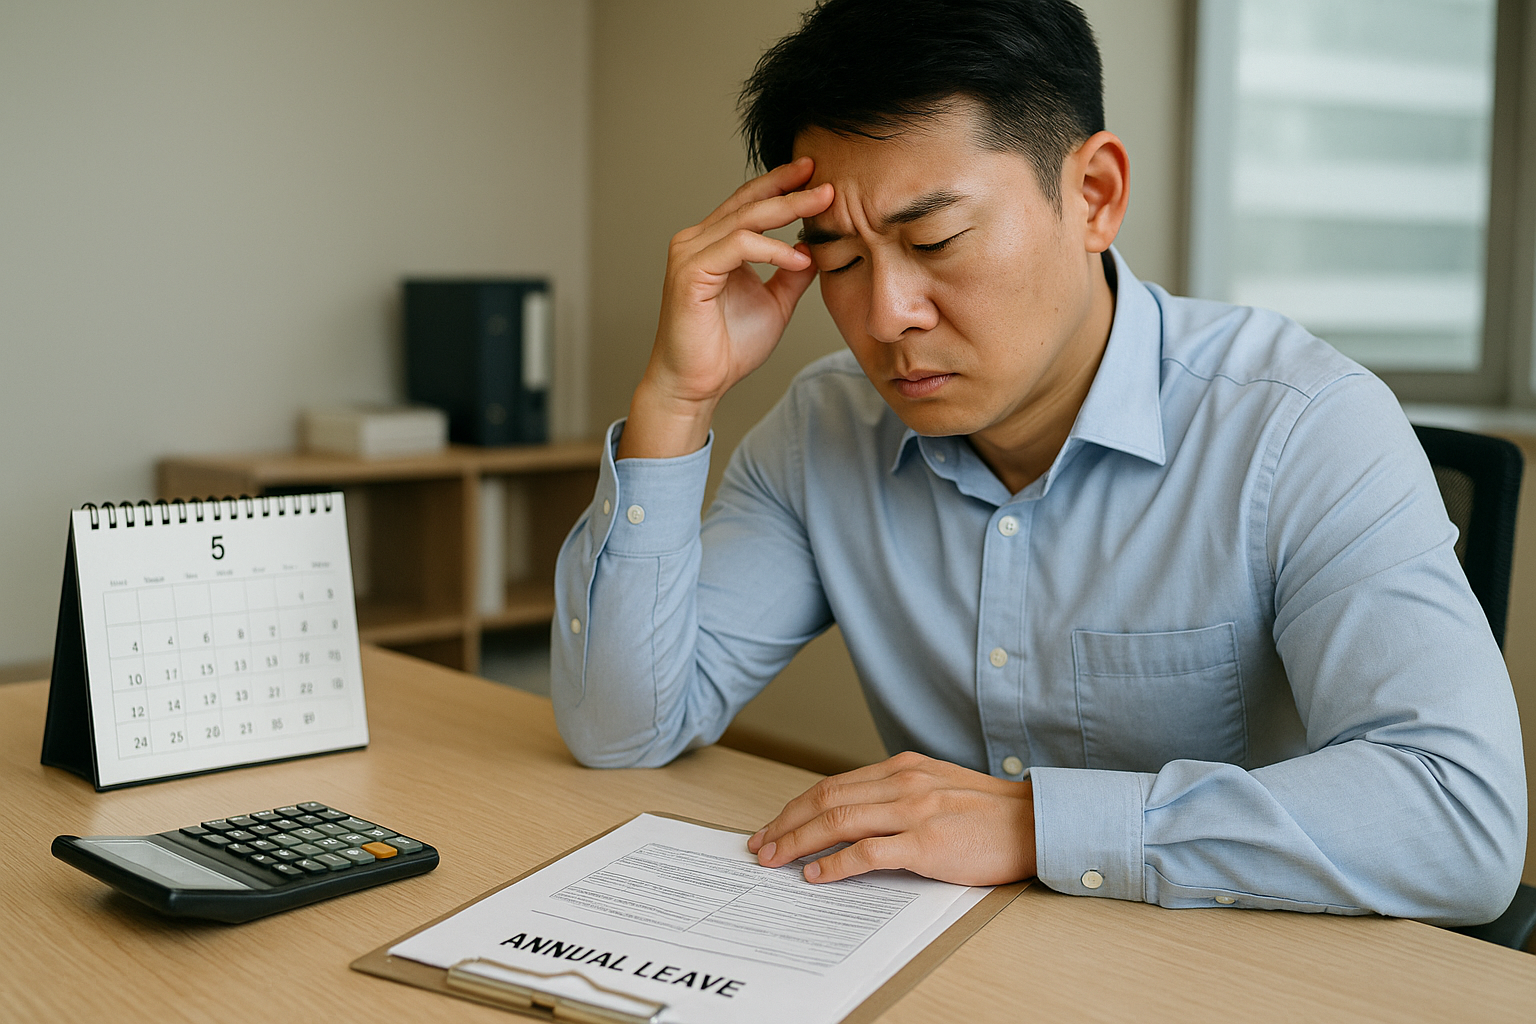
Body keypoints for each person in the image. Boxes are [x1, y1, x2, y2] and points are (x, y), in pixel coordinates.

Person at [551, 0, 1525, 924]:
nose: (886, 316)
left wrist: (1032, 825)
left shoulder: (1301, 425)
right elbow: (622, 728)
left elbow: (1460, 818)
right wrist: (676, 400)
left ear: (1094, 196)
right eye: (840, 260)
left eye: (935, 239)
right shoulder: (824, 429)